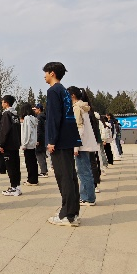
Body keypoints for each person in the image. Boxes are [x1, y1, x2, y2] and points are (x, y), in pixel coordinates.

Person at [43, 62, 82, 226]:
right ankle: (73, 212)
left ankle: (67, 215)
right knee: (71, 176)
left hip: (59, 140)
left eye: (45, 73)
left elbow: (53, 118)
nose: (44, 76)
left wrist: (51, 140)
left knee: (64, 177)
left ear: (52, 73)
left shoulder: (53, 91)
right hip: (67, 139)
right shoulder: (64, 91)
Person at [67, 87, 97, 206]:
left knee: (83, 171)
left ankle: (88, 197)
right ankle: (87, 195)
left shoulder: (77, 108)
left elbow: (79, 128)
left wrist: (75, 146)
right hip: (85, 144)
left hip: (81, 145)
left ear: (73, 95)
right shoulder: (84, 107)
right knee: (86, 171)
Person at [0, 95, 22, 196]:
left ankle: (13, 188)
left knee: (10, 167)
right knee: (16, 166)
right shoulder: (15, 115)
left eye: (3, 102)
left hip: (8, 145)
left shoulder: (6, 114)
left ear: (6, 103)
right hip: (15, 144)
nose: (2, 103)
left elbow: (4, 131)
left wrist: (1, 144)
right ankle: (17, 186)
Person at [20, 103, 39, 186]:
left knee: (29, 162)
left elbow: (27, 132)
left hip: (28, 144)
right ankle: (34, 179)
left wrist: (24, 144)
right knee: (33, 162)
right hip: (32, 143)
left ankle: (31, 180)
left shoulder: (27, 118)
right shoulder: (33, 118)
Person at [32, 103, 49, 178]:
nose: (34, 111)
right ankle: (44, 170)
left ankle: (43, 171)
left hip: (40, 138)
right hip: (44, 137)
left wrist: (37, 139)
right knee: (42, 154)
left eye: (35, 109)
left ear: (39, 109)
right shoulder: (44, 116)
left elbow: (38, 129)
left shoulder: (39, 117)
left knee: (39, 154)